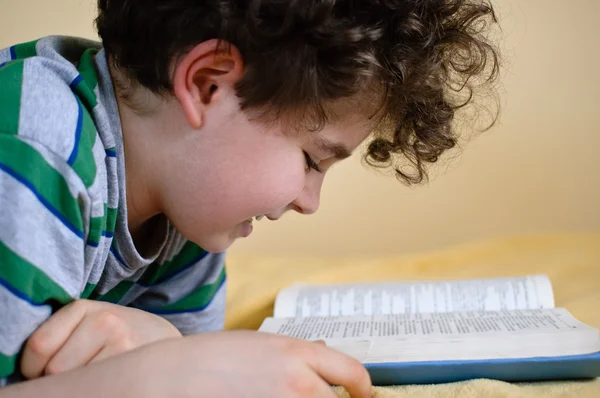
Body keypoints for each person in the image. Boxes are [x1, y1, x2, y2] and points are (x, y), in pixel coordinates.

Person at [0, 0, 499, 396]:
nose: (311, 202)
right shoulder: (36, 146)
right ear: (207, 83)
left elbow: (197, 361)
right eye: (311, 159)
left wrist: (169, 350)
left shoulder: (188, 211)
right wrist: (156, 377)